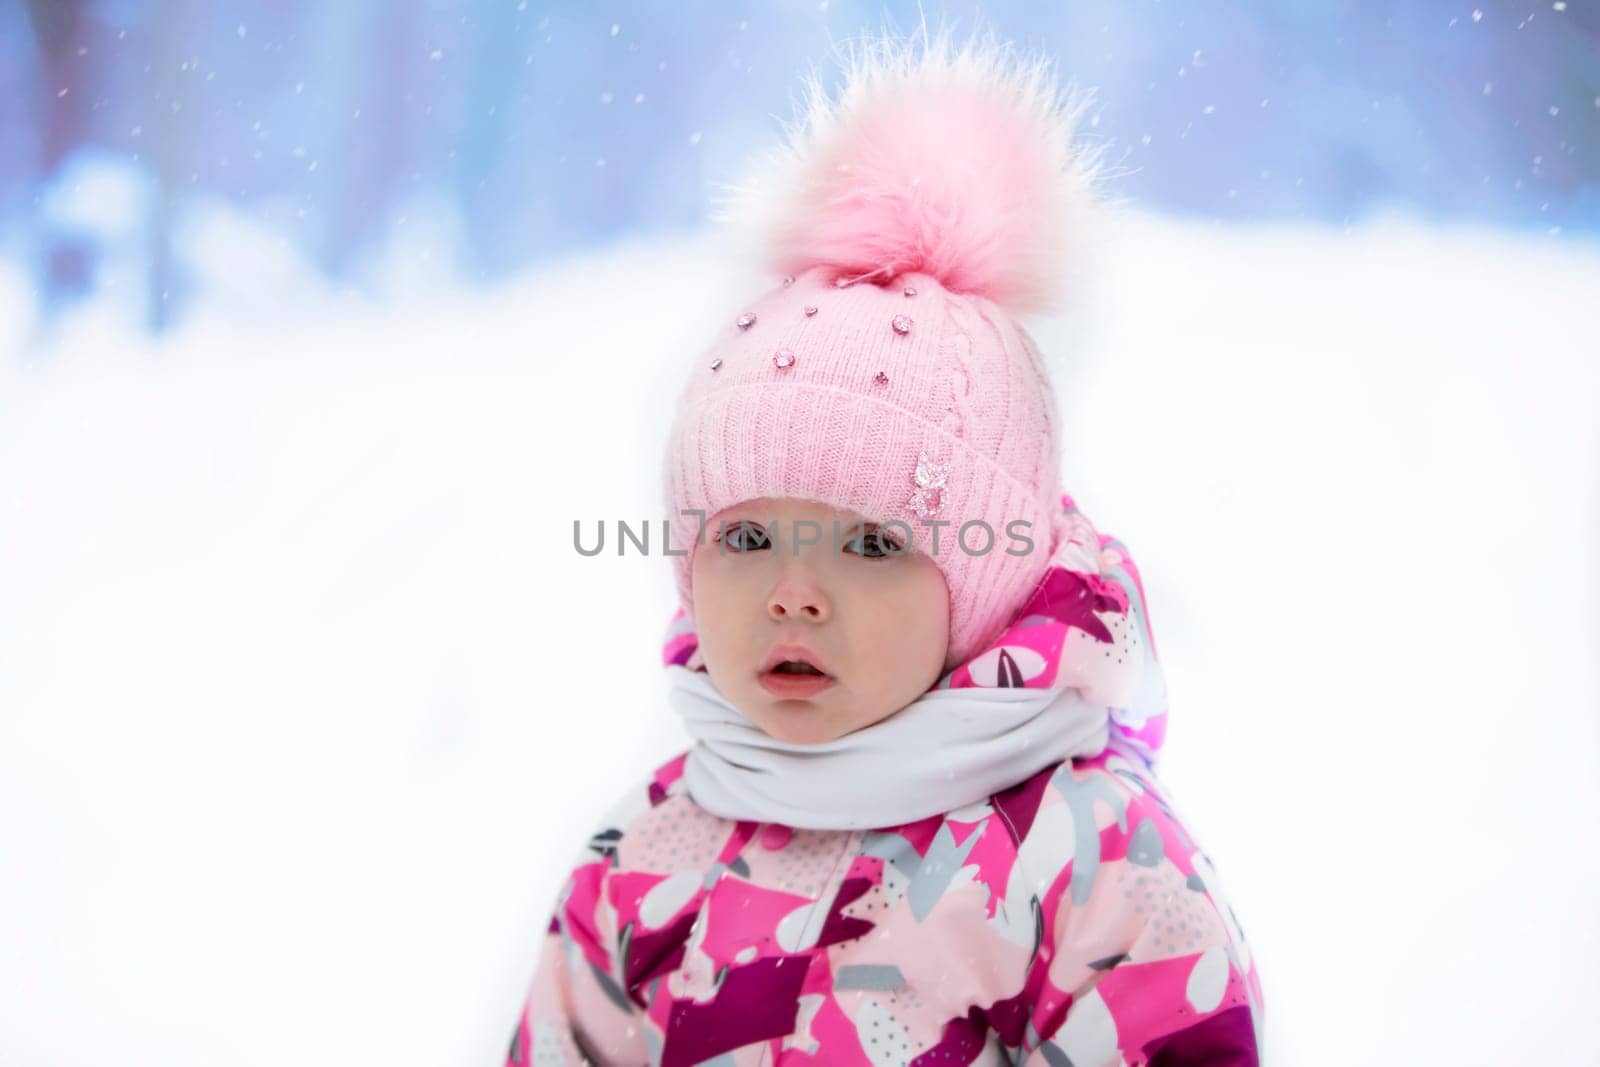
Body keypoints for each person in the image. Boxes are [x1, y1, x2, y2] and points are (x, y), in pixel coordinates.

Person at [507, 23, 1263, 1065]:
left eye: (870, 543)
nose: (793, 592)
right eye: (751, 536)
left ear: (984, 586)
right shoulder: (645, 855)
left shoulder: (1081, 862)